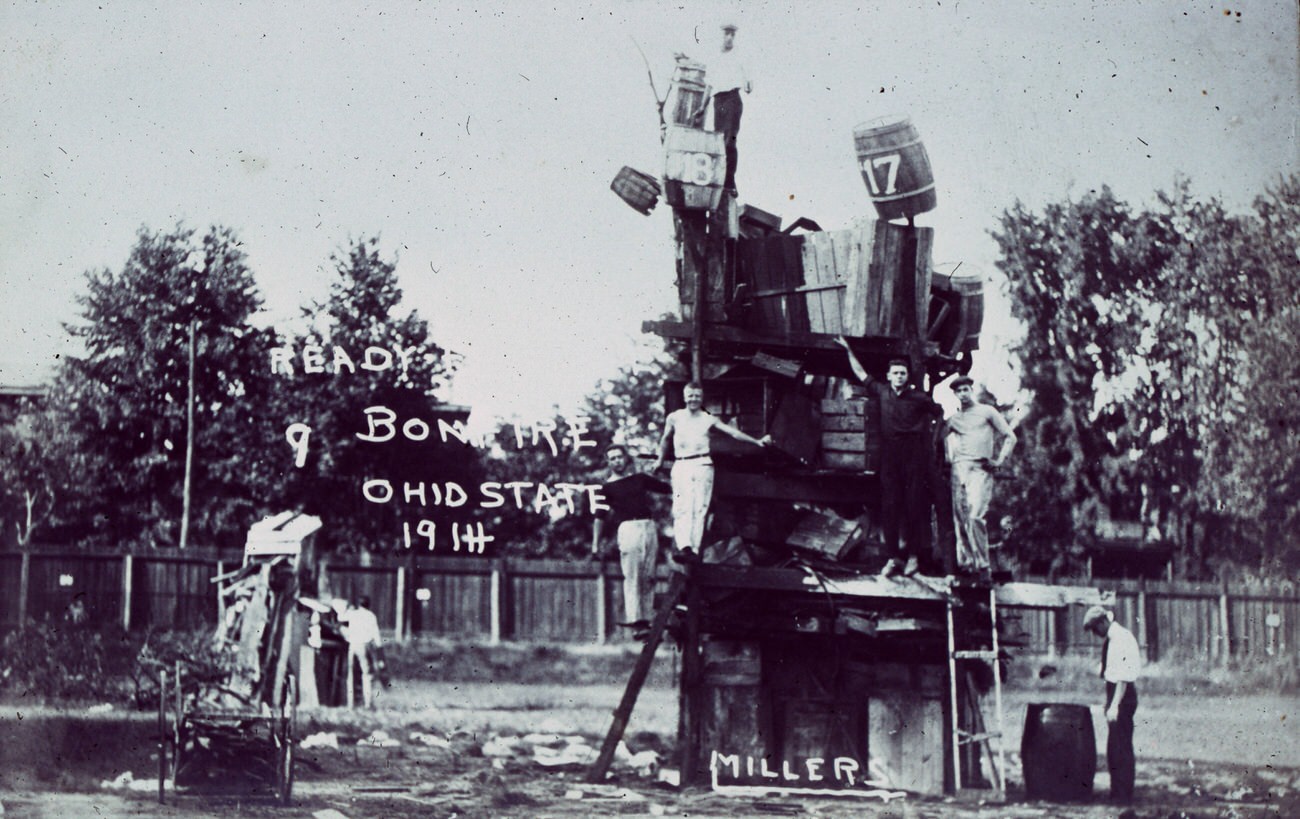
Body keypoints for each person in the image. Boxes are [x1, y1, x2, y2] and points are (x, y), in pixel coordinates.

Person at [837, 339, 942, 576]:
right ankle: (893, 559)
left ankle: (914, 558)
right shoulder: (882, 391)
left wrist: (932, 444)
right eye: (895, 373)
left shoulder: (919, 398)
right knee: (890, 506)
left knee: (914, 505)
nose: (899, 377)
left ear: (908, 376)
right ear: (889, 375)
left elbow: (940, 414)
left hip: (914, 456)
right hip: (890, 456)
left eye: (903, 373)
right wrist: (847, 350)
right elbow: (861, 373)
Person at [652, 382, 771, 563]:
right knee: (682, 506)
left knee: (699, 507)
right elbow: (665, 439)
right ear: (685, 397)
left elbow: (733, 433)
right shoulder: (675, 417)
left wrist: (757, 441)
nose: (693, 399)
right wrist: (659, 460)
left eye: (697, 396)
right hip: (682, 464)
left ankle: (693, 549)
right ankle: (683, 546)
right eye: (690, 396)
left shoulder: (708, 419)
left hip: (702, 464)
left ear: (702, 398)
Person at [592, 444, 670, 636]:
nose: (617, 461)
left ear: (626, 458)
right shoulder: (606, 488)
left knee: (649, 576)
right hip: (628, 529)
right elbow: (599, 517)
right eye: (612, 458)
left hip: (649, 527)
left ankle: (647, 619)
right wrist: (595, 544)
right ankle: (637, 621)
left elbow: (668, 488)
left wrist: (664, 465)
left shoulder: (640, 479)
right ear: (608, 463)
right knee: (633, 575)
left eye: (619, 457)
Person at [944, 375, 1017, 581]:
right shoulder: (954, 419)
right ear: (955, 395)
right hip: (959, 469)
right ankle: (967, 565)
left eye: (966, 389)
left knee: (976, 514)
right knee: (960, 518)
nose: (963, 394)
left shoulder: (987, 411)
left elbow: (1010, 437)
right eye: (959, 391)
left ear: (971, 390)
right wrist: (946, 459)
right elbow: (938, 437)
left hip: (981, 468)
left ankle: (983, 565)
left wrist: (999, 461)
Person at [1083, 605, 1140, 804]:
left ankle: (1123, 794)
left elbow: (1123, 676)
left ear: (1102, 622)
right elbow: (1111, 670)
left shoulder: (1121, 638)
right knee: (1115, 746)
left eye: (1094, 628)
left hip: (1122, 696)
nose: (1094, 633)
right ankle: (1118, 791)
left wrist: (1115, 704)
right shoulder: (1112, 639)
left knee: (1121, 746)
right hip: (1115, 693)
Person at [709, 22, 751, 194]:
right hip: (718, 101)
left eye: (732, 35)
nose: (729, 38)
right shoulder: (715, 58)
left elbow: (749, 80)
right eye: (726, 34)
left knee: (729, 141)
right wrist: (701, 108)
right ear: (721, 35)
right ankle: (719, 180)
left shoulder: (739, 55)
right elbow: (708, 84)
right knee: (718, 142)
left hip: (732, 98)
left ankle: (729, 182)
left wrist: (748, 83)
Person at [340, 596, 382, 709]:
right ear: (368, 605)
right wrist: (379, 650)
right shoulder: (371, 616)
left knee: (351, 675)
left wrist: (347, 609)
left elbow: (340, 618)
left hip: (352, 645)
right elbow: (376, 635)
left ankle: (350, 703)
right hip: (364, 645)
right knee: (366, 675)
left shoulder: (353, 614)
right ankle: (367, 703)